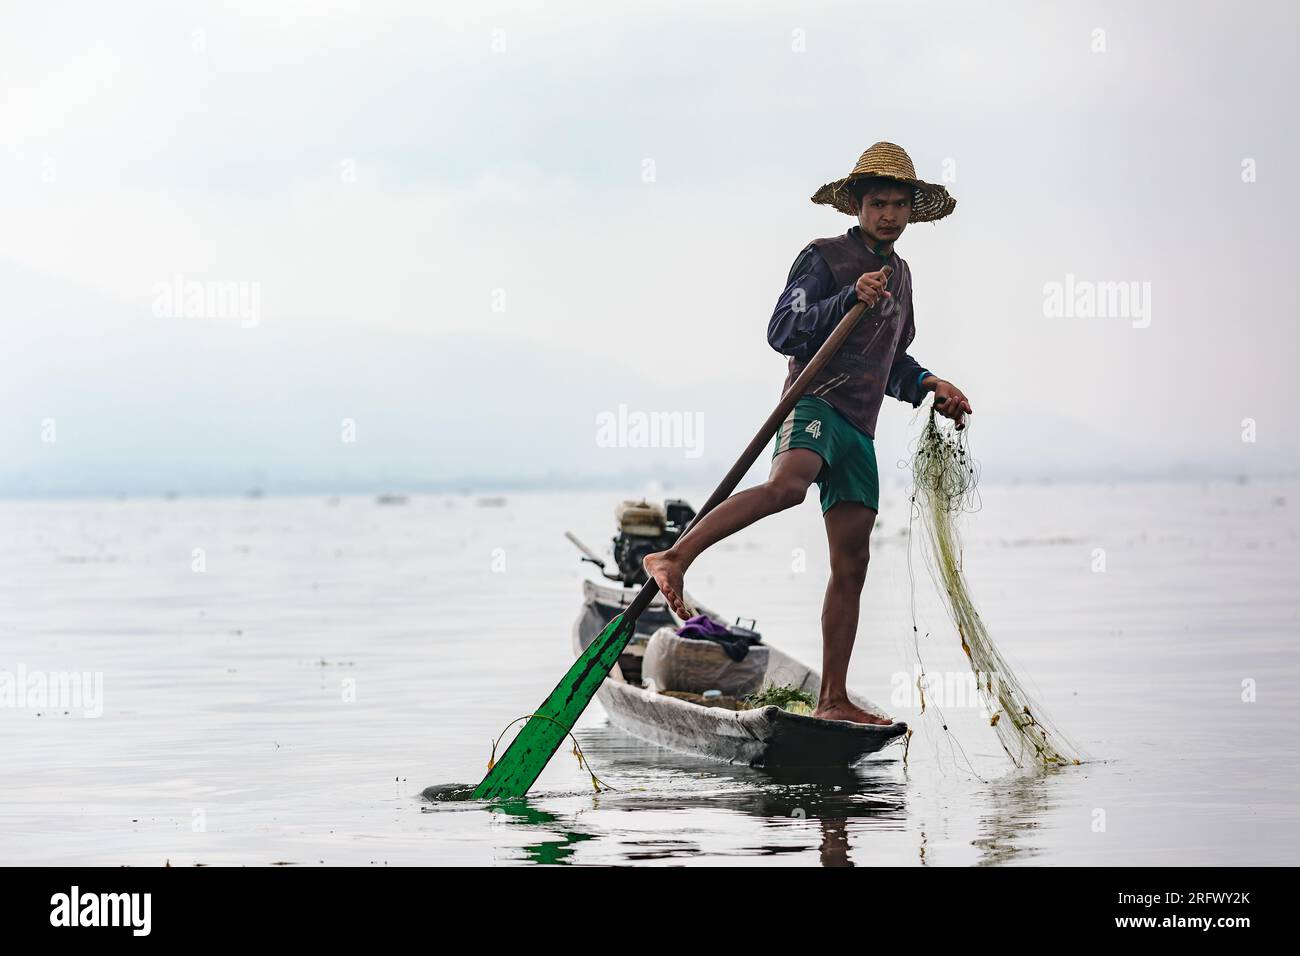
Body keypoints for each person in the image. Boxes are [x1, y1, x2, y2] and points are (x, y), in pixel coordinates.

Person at [644, 142, 973, 725]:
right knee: (787, 487)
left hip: (859, 429)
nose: (890, 215)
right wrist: (848, 295)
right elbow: (784, 329)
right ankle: (673, 557)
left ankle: (833, 699)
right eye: (879, 203)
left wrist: (930, 384)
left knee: (852, 563)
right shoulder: (824, 258)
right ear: (858, 205)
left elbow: (892, 360)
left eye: (900, 205)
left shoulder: (901, 276)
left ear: (911, 212)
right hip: (814, 403)